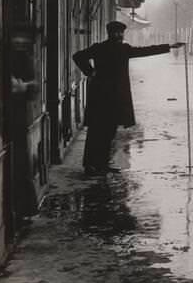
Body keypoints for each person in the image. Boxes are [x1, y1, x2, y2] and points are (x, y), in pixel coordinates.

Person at [73, 21, 183, 176]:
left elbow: (146, 51)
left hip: (113, 97)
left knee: (109, 131)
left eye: (120, 33)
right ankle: (90, 164)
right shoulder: (101, 48)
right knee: (96, 131)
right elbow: (77, 56)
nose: (118, 35)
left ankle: (101, 163)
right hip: (102, 96)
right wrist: (90, 72)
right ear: (109, 33)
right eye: (115, 32)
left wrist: (169, 47)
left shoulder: (122, 49)